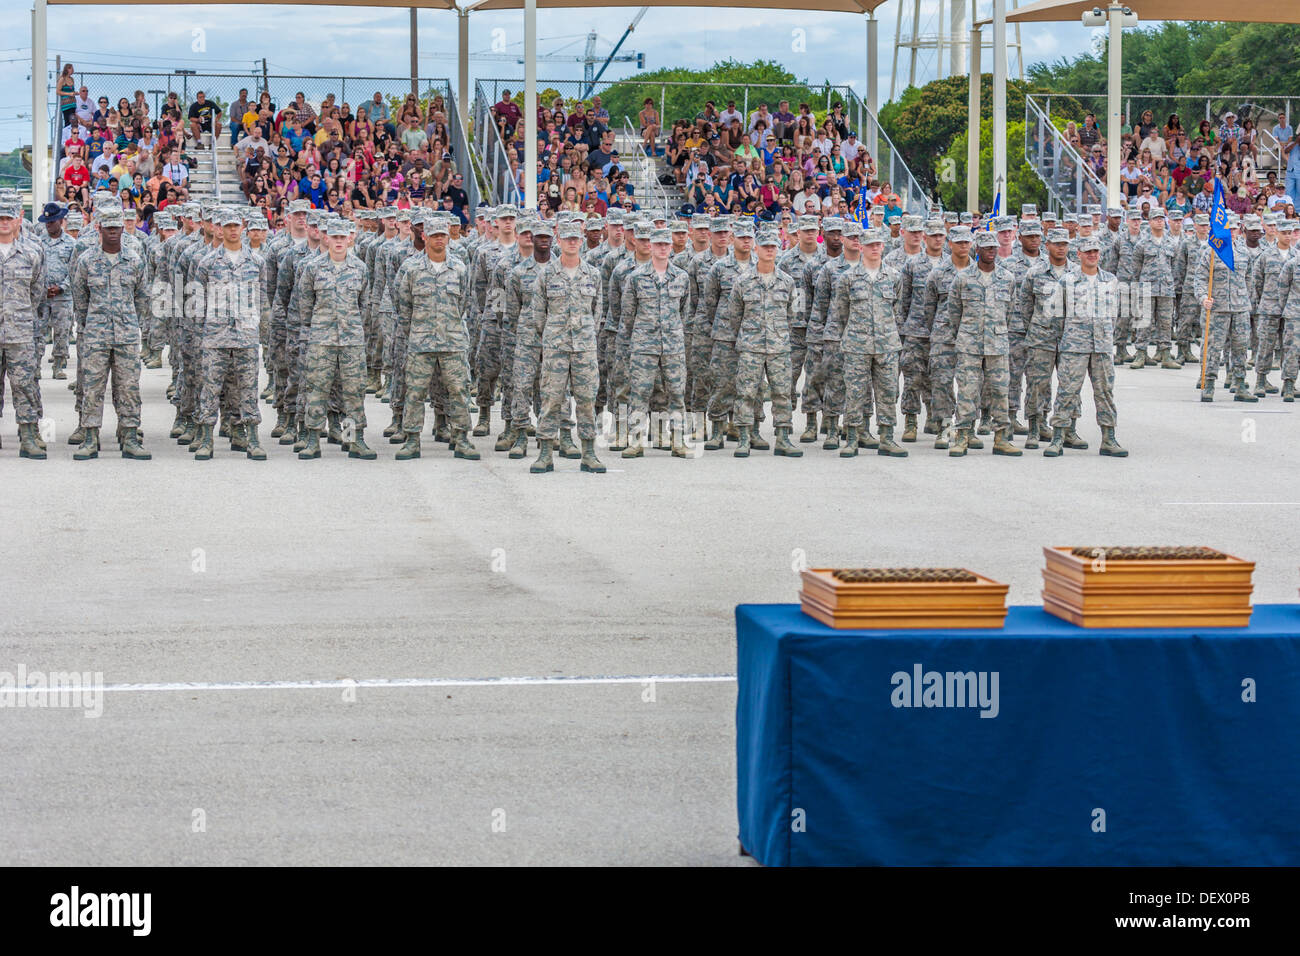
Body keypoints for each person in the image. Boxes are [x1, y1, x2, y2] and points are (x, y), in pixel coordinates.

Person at [69, 203, 151, 460]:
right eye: (108, 228)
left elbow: (142, 297)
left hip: (126, 335)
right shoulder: (86, 261)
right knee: (92, 386)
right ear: (99, 229)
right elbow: (80, 298)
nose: (113, 232)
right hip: (95, 334)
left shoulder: (135, 261)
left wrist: (131, 322)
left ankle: (129, 436)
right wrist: (89, 324)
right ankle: (90, 437)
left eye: (117, 227)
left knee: (128, 386)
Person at [393, 216, 479, 460]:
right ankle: (412, 439)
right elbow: (404, 306)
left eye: (443, 234)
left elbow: (464, 302)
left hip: (452, 341)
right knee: (415, 392)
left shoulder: (460, 268)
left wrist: (448, 325)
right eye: (434, 235)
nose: (439, 239)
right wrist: (419, 329)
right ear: (424, 237)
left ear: (449, 237)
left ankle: (461, 437)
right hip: (421, 341)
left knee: (459, 390)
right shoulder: (411, 268)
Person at [192, 208, 268, 459]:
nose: (233, 230)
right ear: (219, 229)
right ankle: (205, 438)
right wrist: (203, 332)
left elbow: (261, 297)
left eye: (237, 225)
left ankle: (251, 437)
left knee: (247, 387)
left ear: (243, 227)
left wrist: (258, 326)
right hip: (216, 336)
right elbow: (198, 301)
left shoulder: (256, 262)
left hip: (246, 336)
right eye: (228, 226)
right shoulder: (208, 263)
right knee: (210, 388)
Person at [530, 219, 605, 473]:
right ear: (559, 241)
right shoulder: (547, 274)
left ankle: (589, 453)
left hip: (585, 347)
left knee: (586, 400)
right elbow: (539, 314)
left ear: (581, 242)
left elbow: (597, 312)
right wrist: (553, 335)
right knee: (551, 399)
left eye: (576, 239)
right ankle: (545, 453)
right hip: (556, 347)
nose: (572, 243)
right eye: (567, 239)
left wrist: (585, 335)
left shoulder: (593, 275)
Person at [1045, 234, 1126, 456]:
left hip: (1102, 346)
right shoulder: (1067, 281)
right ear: (1078, 254)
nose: (1092, 255)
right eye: (1087, 252)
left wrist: (1105, 335)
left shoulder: (1110, 280)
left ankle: (1109, 438)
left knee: (1105, 392)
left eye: (1095, 252)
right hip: (1074, 345)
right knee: (1067, 391)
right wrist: (1070, 336)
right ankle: (1058, 437)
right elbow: (1056, 316)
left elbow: (1115, 314)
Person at [726, 228, 801, 458]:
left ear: (778, 250)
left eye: (773, 246)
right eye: (765, 246)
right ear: (756, 249)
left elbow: (792, 315)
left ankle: (783, 438)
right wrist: (749, 335)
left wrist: (779, 334)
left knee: (782, 393)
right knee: (746, 392)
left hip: (778, 346)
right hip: (751, 345)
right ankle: (744, 438)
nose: (769, 250)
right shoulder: (743, 281)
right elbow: (734, 315)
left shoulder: (787, 281)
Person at [0, 198, 47, 459]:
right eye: (0, 219)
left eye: (8, 218)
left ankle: (28, 435)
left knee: (24, 385)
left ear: (17, 220)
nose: (4, 223)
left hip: (20, 332)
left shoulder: (30, 253)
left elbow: (37, 293)